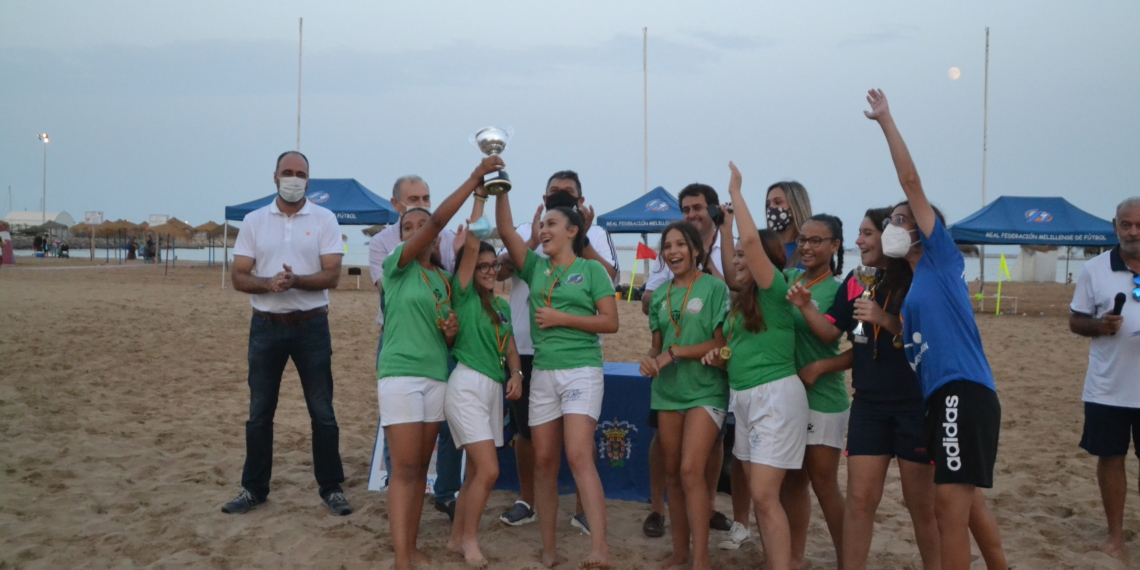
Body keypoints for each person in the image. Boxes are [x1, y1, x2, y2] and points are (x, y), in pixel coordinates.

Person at [865, 88, 1008, 570]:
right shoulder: (913, 285)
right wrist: (888, 321)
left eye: (902, 218)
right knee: (965, 506)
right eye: (892, 219)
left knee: (948, 511)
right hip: (945, 398)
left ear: (926, 229)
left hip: (961, 393)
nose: (894, 223)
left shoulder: (941, 258)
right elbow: (913, 342)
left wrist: (886, 122)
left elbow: (910, 179)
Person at [787, 207, 940, 570]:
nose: (860, 241)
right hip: (868, 404)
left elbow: (932, 339)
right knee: (859, 502)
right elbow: (831, 333)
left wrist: (885, 319)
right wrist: (807, 307)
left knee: (921, 507)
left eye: (868, 233)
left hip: (913, 403)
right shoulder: (857, 281)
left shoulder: (919, 279)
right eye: (859, 233)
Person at [377, 156, 503, 570]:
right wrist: (473, 180)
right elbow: (435, 224)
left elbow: (471, 246)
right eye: (408, 228)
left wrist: (450, 330)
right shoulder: (397, 267)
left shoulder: (441, 281)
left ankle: (411, 546)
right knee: (405, 469)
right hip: (400, 374)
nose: (418, 233)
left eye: (424, 230)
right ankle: (402, 558)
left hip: (436, 376)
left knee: (418, 473)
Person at [221, 150, 351, 517]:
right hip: (265, 327)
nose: (294, 178)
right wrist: (268, 284)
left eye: (300, 173)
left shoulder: (325, 219)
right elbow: (239, 276)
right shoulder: (254, 220)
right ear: (274, 176)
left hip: (312, 325)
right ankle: (254, 489)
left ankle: (331, 487)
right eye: (287, 172)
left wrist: (296, 281)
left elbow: (332, 275)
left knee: (322, 411)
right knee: (260, 413)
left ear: (309, 179)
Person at [496, 188, 619, 569]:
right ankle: (549, 549)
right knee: (545, 461)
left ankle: (599, 549)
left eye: (551, 224)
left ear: (572, 231)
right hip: (544, 372)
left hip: (582, 368)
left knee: (579, 455)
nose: (543, 230)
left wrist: (563, 318)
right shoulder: (535, 267)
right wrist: (498, 188)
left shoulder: (593, 269)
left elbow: (611, 323)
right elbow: (504, 230)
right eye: (541, 224)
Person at [701, 162, 808, 570]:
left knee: (765, 496)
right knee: (762, 496)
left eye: (749, 256)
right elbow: (739, 345)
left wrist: (737, 192)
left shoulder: (774, 288)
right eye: (739, 257)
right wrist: (722, 355)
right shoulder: (741, 302)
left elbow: (748, 238)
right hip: (743, 397)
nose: (739, 260)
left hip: (774, 396)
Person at [639, 183, 745, 545]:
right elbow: (656, 346)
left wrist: (675, 353)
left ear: (696, 250)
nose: (673, 251)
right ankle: (681, 552)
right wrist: (649, 361)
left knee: (689, 470)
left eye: (681, 245)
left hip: (705, 388)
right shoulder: (659, 297)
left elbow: (720, 343)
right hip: (667, 390)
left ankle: (701, 558)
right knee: (672, 473)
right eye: (667, 247)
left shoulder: (714, 288)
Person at [368, 174, 463, 518]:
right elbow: (387, 293)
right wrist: (474, 179)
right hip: (401, 359)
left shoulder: (442, 271)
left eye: (426, 198)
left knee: (428, 455)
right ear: (396, 206)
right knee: (404, 462)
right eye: (413, 201)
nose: (421, 205)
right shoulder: (388, 252)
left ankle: (442, 496)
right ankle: (401, 513)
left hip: (437, 362)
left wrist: (451, 331)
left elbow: (455, 294)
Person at [444, 190, 524, 567]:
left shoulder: (501, 305)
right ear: (470, 270)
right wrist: (480, 197)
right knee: (489, 470)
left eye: (494, 266)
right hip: (466, 385)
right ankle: (470, 541)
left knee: (476, 471)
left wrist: (517, 374)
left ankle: (456, 538)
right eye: (483, 266)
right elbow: (473, 244)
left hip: (493, 387)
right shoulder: (462, 297)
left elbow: (508, 346)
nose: (490, 271)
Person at [1069, 196, 1140, 558]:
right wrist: (1100, 325)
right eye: (1126, 225)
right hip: (1108, 387)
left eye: (1139, 226)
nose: (1133, 232)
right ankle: (1115, 534)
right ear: (1115, 227)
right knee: (1111, 459)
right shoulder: (1095, 269)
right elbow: (1075, 321)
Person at [780, 213, 848, 569]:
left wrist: (821, 365)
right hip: (787, 397)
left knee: (824, 485)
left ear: (835, 246)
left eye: (816, 240)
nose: (806, 246)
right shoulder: (788, 278)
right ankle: (794, 558)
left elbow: (837, 340)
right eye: (803, 239)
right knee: (793, 480)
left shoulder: (838, 289)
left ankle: (846, 560)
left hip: (824, 399)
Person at [765, 181, 812, 269]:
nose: (770, 208)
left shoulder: (810, 251)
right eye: (768, 204)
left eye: (777, 202)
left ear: (796, 206)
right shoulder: (763, 247)